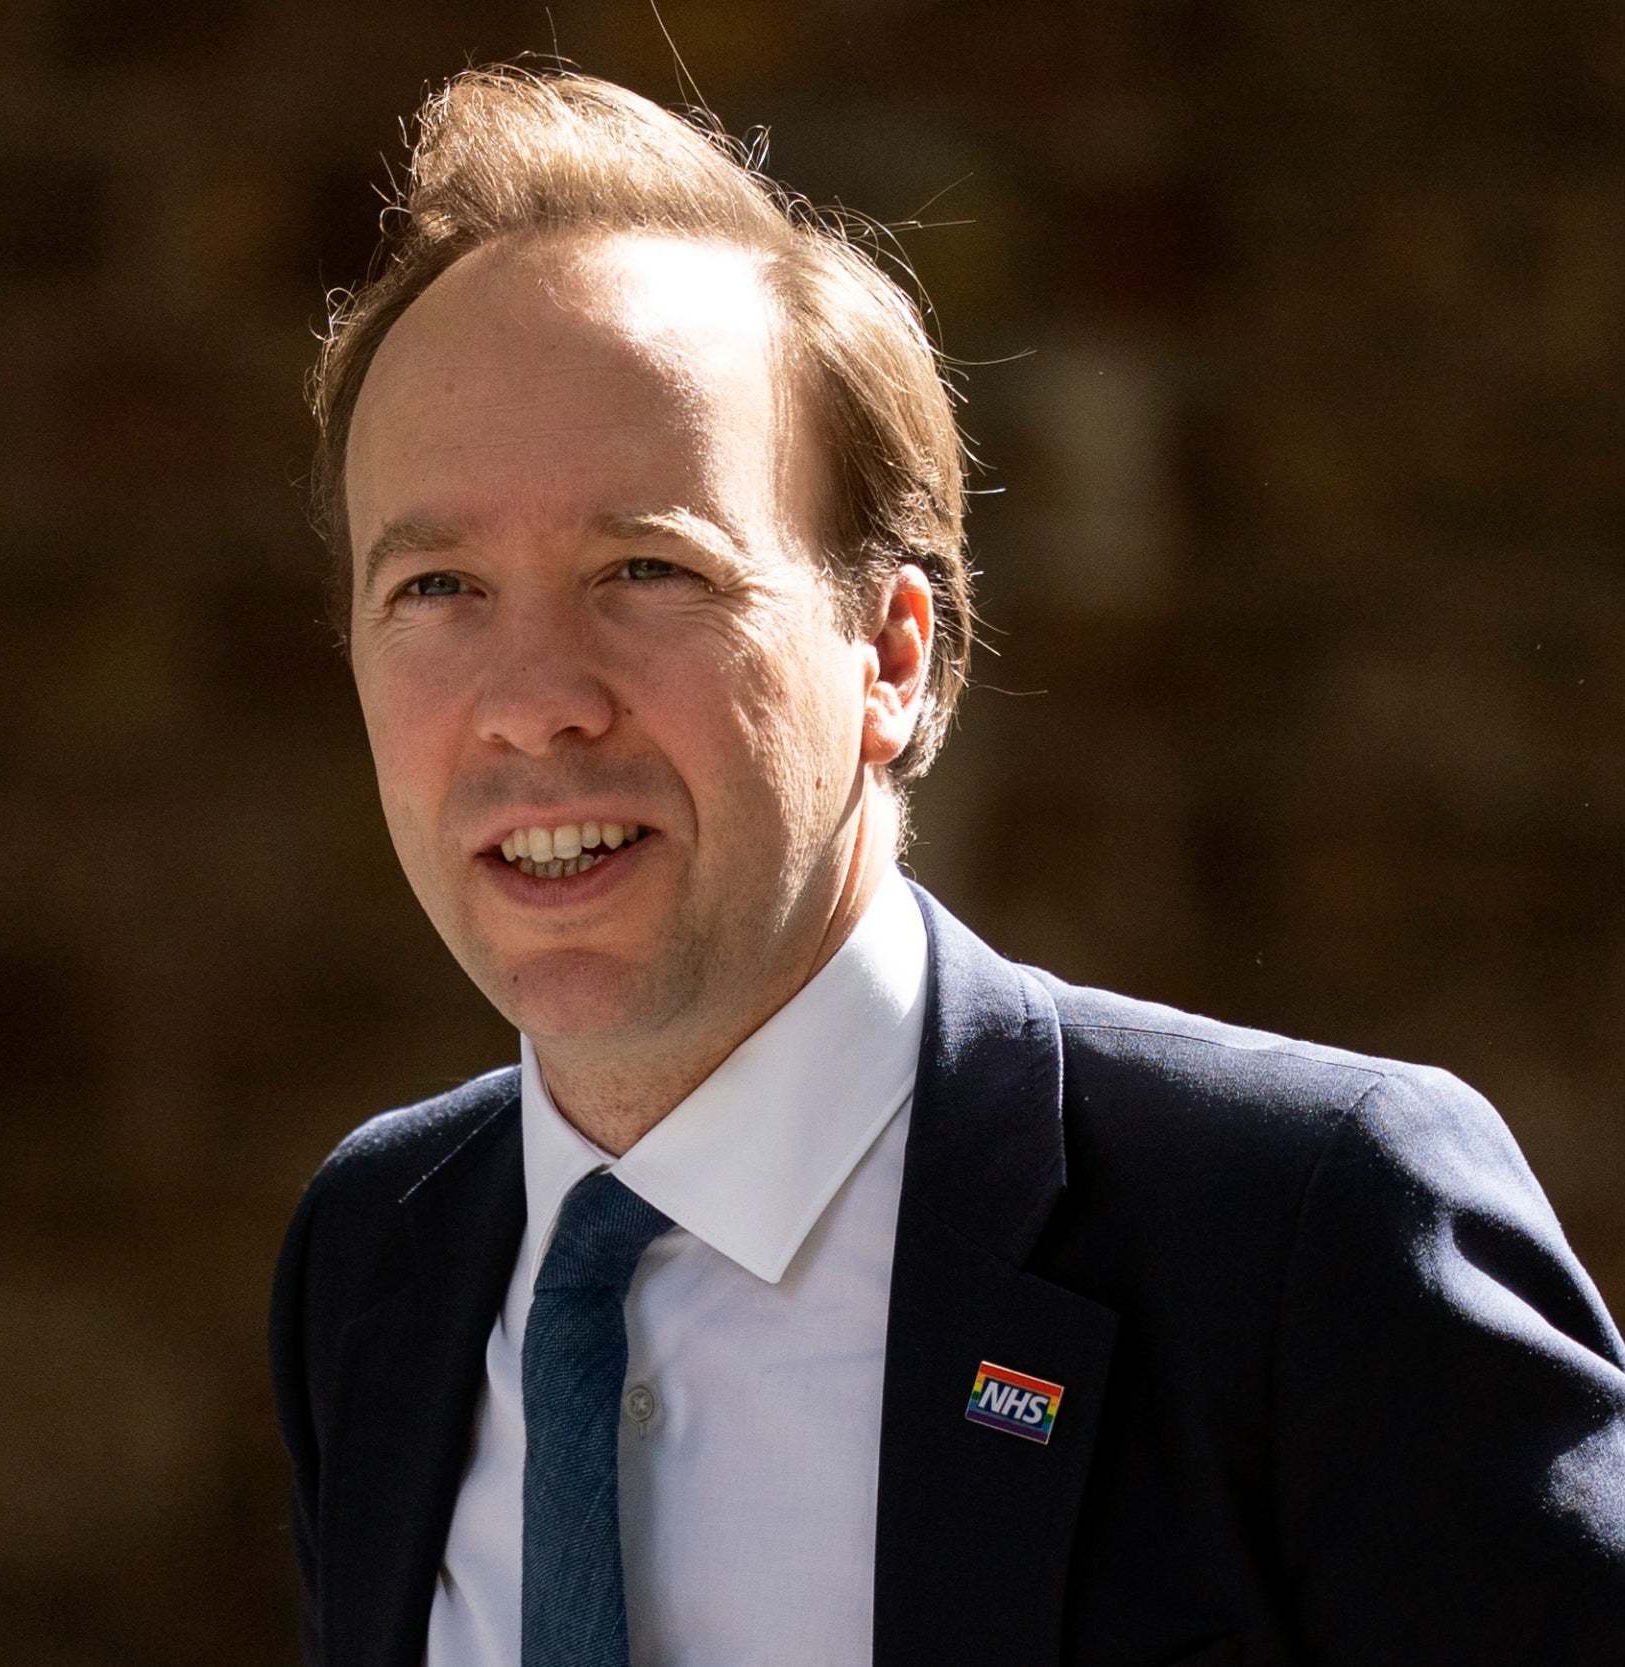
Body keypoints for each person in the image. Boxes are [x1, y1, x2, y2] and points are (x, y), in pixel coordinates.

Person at [269, 67, 1625, 1667]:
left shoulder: (1301, 1234)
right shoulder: (378, 1257)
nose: (533, 702)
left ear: (890, 656)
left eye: (646, 568)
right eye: (434, 588)